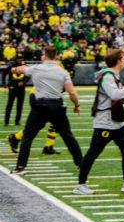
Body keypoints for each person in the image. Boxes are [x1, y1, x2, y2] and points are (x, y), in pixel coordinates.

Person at [75, 49, 124, 195]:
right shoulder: (108, 76)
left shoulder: (113, 75)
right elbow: (115, 94)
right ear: (118, 60)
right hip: (106, 123)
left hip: (116, 121)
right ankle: (80, 185)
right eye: (123, 58)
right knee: (92, 154)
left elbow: (119, 100)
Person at [11, 45, 84, 174]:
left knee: (28, 137)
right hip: (57, 106)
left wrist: (14, 69)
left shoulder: (36, 68)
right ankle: (81, 164)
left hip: (40, 107)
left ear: (44, 55)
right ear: (56, 56)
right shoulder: (62, 72)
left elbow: (22, 69)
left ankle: (21, 167)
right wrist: (76, 105)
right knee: (68, 137)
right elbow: (72, 93)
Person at [5, 56, 26, 126]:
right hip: (12, 87)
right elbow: (4, 73)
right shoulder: (12, 66)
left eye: (21, 58)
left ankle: (17, 122)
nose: (20, 60)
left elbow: (29, 75)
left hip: (21, 89)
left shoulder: (24, 66)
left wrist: (24, 82)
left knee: (19, 106)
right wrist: (4, 83)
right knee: (9, 105)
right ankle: (6, 122)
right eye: (19, 58)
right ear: (16, 59)